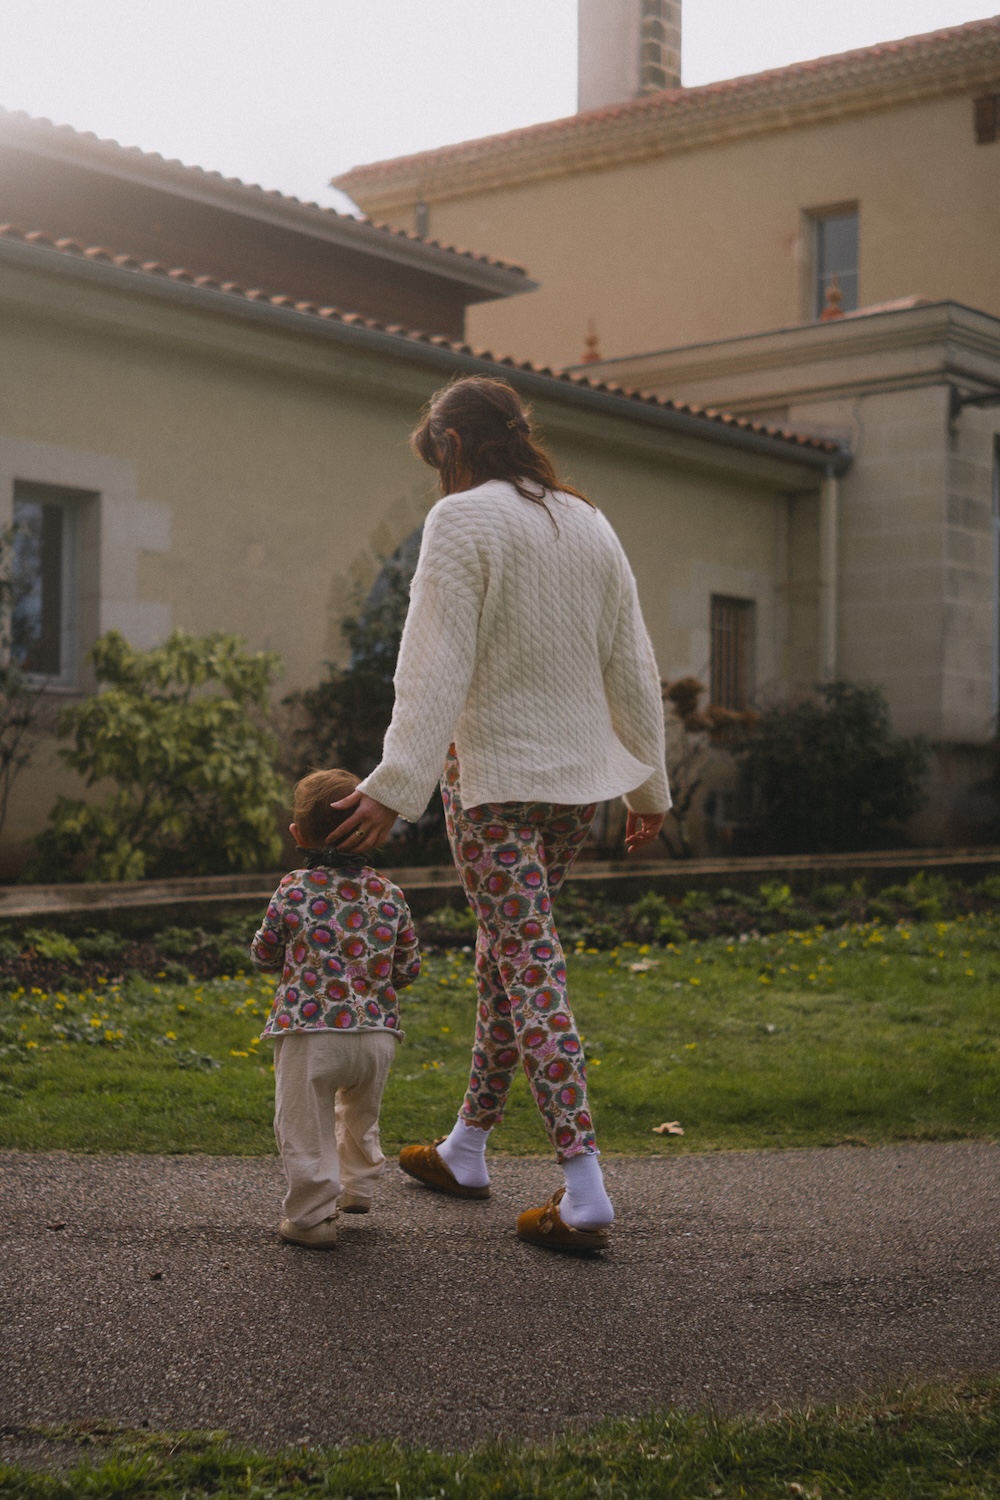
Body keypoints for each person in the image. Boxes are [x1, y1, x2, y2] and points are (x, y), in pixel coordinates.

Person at [330, 376, 670, 1253]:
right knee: (506, 955)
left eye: (434, 458)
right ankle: (467, 1147)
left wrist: (394, 785)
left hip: (491, 785)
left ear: (451, 444)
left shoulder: (462, 518)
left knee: (528, 961)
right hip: (577, 790)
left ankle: (584, 1187)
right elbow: (632, 663)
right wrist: (649, 789)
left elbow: (433, 661)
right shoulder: (589, 521)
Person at [251, 767, 421, 1249]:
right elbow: (408, 968)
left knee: (304, 1124)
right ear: (372, 832)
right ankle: (358, 1186)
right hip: (377, 1036)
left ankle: (311, 1218)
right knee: (361, 1114)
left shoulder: (294, 888)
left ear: (297, 834)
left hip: (311, 1032)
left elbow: (264, 953)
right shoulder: (390, 894)